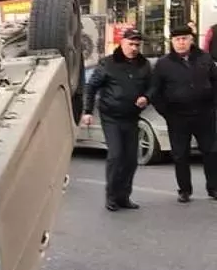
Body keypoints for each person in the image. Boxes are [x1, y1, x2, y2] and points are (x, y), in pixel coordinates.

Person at [81, 28, 151, 211]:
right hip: (111, 116)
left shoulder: (143, 65)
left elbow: (152, 87)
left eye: (137, 44)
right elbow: (91, 86)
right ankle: (111, 197)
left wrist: (147, 97)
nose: (134, 48)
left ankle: (124, 196)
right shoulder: (108, 63)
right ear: (122, 42)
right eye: (131, 44)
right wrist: (87, 111)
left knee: (131, 160)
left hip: (131, 117)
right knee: (116, 155)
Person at [149, 25, 217, 203]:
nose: (181, 43)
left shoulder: (204, 58)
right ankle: (184, 190)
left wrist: (213, 106)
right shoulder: (163, 64)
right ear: (172, 42)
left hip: (204, 114)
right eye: (177, 39)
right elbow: (155, 91)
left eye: (184, 39)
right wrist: (167, 113)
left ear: (191, 39)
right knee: (180, 154)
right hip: (178, 116)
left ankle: (214, 188)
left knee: (211, 151)